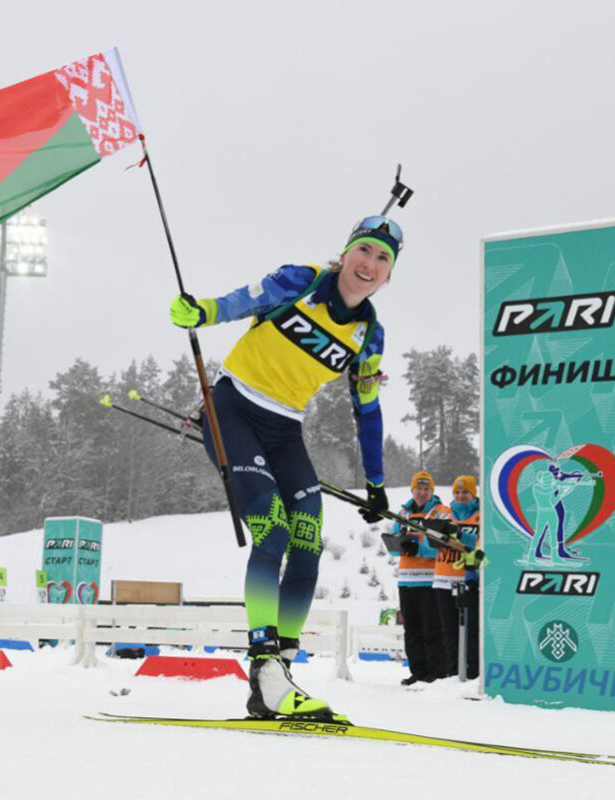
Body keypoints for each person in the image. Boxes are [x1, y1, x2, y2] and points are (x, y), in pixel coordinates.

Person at [169, 215, 400, 720]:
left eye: (383, 260)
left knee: (307, 540)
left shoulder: (369, 334)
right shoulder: (303, 280)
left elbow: (368, 409)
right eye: (365, 251)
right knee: (270, 531)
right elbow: (244, 300)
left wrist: (377, 482)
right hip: (231, 408)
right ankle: (265, 668)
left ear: (388, 276)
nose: (370, 264)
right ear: (347, 253)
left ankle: (279, 674)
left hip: (285, 429)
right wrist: (202, 312)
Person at [388, 470, 448, 685]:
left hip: (431, 580)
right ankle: (417, 671)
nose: (422, 493)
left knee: (431, 628)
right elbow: (395, 549)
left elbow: (443, 546)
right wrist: (399, 545)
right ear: (412, 490)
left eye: (426, 489)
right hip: (406, 580)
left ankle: (436, 672)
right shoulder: (402, 513)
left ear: (432, 491)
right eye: (418, 489)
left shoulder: (442, 513)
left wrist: (418, 547)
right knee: (411, 629)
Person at [444, 475, 481, 680]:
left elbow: (477, 543)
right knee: (451, 630)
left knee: (472, 629)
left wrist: (459, 536)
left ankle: (474, 671)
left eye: (465, 492)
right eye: (457, 493)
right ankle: (454, 671)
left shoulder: (480, 515)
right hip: (446, 576)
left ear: (472, 494)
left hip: (471, 576)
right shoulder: (446, 514)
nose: (460, 496)